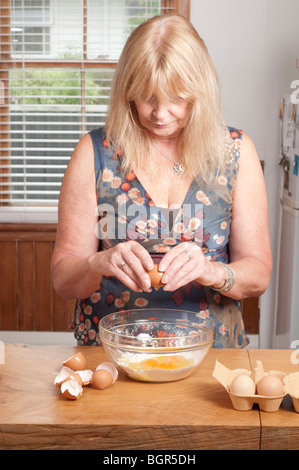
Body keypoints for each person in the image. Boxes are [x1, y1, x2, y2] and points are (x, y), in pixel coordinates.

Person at [51, 14, 272, 348]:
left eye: (176, 98)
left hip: (212, 355)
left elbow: (259, 274)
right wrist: (98, 262)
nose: (160, 113)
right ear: (128, 91)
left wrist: (212, 272)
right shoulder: (94, 153)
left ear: (199, 92)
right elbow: (63, 280)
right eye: (147, 96)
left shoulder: (235, 153)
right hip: (113, 356)